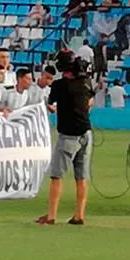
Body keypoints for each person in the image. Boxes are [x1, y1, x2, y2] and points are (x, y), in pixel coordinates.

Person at [36, 52, 95, 226]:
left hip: (69, 134)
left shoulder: (60, 85)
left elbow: (50, 102)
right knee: (81, 176)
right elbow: (90, 102)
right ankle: (79, 214)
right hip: (86, 133)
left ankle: (52, 215)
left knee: (57, 176)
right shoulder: (85, 82)